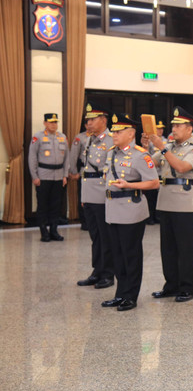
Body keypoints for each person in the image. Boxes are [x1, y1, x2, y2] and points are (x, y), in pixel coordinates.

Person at [101, 113, 159, 311]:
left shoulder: (140, 155)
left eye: (118, 131)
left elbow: (154, 182)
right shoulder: (111, 153)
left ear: (131, 133)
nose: (114, 134)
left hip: (131, 210)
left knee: (130, 255)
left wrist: (129, 184)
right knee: (116, 255)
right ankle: (120, 294)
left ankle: (130, 296)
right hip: (112, 210)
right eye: (113, 131)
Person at [147, 106, 193, 302]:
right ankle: (170, 285)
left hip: (185, 204)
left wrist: (161, 148)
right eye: (173, 125)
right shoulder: (169, 147)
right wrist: (144, 145)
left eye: (178, 125)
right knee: (168, 248)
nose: (174, 129)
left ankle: (187, 287)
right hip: (166, 201)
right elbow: (149, 163)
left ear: (189, 129)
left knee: (186, 248)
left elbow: (181, 167)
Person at [73, 103, 115, 289]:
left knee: (105, 236)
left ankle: (108, 274)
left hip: (101, 193)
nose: (88, 123)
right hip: (89, 192)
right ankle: (97, 271)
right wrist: (83, 196)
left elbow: (113, 171)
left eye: (92, 119)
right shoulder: (89, 140)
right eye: (87, 120)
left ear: (103, 121)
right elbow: (86, 170)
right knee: (95, 236)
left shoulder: (112, 140)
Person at [28, 113, 69, 242]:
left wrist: (65, 175)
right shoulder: (38, 137)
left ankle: (54, 230)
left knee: (56, 205)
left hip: (58, 176)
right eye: (51, 122)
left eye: (56, 122)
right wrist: (34, 176)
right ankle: (43, 232)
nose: (54, 125)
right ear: (45, 123)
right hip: (43, 175)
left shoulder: (62, 137)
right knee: (43, 205)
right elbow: (32, 157)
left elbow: (67, 157)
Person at [143, 120, 166, 224]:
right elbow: (147, 155)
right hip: (153, 172)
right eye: (158, 128)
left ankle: (158, 216)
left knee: (160, 197)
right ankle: (150, 217)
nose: (160, 130)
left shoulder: (166, 141)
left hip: (162, 173)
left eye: (161, 129)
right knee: (150, 197)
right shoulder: (150, 142)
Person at [69, 124, 90, 230]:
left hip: (99, 174)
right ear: (85, 125)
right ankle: (85, 222)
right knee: (83, 198)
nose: (90, 125)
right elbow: (73, 155)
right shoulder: (80, 138)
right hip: (84, 171)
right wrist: (73, 172)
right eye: (88, 123)